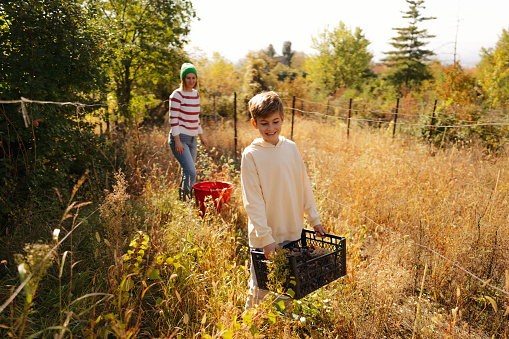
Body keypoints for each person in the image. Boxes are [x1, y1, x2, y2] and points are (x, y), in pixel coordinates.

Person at [241, 91, 326, 310]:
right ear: (254, 123)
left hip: (291, 231)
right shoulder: (251, 155)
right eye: (264, 123)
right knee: (260, 286)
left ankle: (282, 325)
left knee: (288, 286)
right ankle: (249, 328)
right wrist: (266, 238)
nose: (270, 128)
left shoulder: (291, 148)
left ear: (283, 119)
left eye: (275, 122)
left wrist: (314, 218)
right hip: (264, 238)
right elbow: (253, 202)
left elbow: (304, 184)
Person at [169, 63, 208, 201]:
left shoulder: (196, 95)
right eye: (188, 78)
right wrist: (178, 141)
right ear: (183, 79)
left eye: (193, 78)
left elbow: (195, 118)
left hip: (192, 139)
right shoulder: (177, 95)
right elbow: (173, 120)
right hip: (180, 139)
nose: (191, 81)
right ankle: (186, 202)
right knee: (191, 172)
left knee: (187, 171)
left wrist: (201, 136)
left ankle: (183, 202)